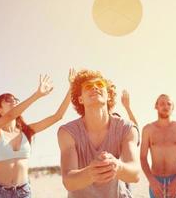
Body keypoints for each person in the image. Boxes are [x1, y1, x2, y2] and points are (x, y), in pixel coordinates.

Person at [0, 69, 75, 198]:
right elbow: (11, 115)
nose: (14, 101)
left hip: (23, 192)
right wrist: (37, 95)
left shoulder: (27, 131)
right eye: (9, 99)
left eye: (16, 99)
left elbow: (57, 116)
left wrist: (71, 89)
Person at [57, 69, 140, 198]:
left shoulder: (126, 128)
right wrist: (91, 173)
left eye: (100, 85)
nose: (95, 87)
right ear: (80, 99)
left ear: (108, 95)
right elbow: (68, 181)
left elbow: (135, 174)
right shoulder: (67, 132)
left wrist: (118, 167)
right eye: (88, 86)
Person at [140, 94, 176, 198]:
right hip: (156, 183)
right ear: (156, 106)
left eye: (169, 104)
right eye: (162, 103)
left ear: (173, 107)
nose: (166, 106)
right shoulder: (148, 130)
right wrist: (151, 180)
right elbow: (142, 158)